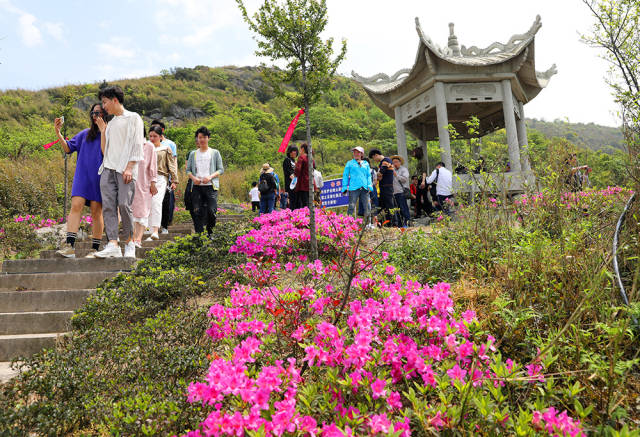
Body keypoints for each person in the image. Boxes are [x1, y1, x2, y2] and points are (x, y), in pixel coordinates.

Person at [94, 86, 144, 258]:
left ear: (115, 100)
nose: (104, 106)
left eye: (105, 102)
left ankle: (129, 242)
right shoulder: (111, 123)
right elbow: (104, 151)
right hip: (108, 168)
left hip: (124, 169)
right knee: (108, 206)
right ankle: (113, 243)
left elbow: (138, 144)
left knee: (123, 205)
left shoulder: (133, 118)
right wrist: (102, 131)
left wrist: (130, 167)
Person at [54, 104, 106, 258]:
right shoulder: (84, 134)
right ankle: (70, 246)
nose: (95, 115)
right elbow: (68, 148)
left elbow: (108, 152)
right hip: (82, 175)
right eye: (93, 112)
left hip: (99, 176)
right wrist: (58, 132)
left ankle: (95, 248)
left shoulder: (110, 134)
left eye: (99, 112)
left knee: (96, 211)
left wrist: (104, 131)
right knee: (76, 206)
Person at [185, 126, 224, 236]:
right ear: (197, 139)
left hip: (211, 186)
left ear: (208, 138)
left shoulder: (215, 152)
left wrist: (210, 177)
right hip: (197, 187)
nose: (202, 139)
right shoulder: (193, 154)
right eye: (199, 137)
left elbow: (221, 169)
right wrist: (194, 178)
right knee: (197, 211)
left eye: (204, 137)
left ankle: (210, 233)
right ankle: (199, 235)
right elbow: (188, 170)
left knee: (212, 211)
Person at [146, 125, 178, 240]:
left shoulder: (166, 149)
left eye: (155, 136)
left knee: (156, 202)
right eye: (150, 136)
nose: (152, 138)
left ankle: (155, 230)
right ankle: (149, 230)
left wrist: (174, 180)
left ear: (160, 137)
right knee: (148, 204)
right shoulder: (146, 148)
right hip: (147, 179)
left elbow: (171, 165)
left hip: (161, 178)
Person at [132, 136, 158, 247]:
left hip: (143, 184)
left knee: (142, 212)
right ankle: (133, 239)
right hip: (129, 183)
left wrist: (153, 183)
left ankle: (138, 239)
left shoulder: (149, 146)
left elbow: (153, 166)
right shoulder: (128, 144)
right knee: (131, 212)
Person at [342, 146, 373, 225]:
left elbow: (368, 175)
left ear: (361, 154)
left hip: (364, 187)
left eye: (358, 152)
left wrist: (370, 185)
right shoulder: (349, 163)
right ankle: (348, 224)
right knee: (351, 206)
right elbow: (345, 175)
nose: (356, 154)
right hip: (353, 188)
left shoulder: (366, 163)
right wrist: (344, 187)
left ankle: (368, 224)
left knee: (367, 206)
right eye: (354, 152)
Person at [368, 149, 395, 227]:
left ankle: (394, 223)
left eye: (373, 158)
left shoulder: (386, 160)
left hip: (387, 187)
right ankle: (386, 223)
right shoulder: (381, 163)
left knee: (390, 206)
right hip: (383, 187)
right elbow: (380, 176)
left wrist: (375, 175)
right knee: (383, 206)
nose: (374, 160)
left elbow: (381, 173)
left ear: (376, 155)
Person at [412, 147, 434, 218]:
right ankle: (426, 212)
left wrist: (423, 182)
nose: (413, 154)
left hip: (423, 180)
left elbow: (424, 172)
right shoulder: (419, 160)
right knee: (421, 198)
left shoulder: (423, 160)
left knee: (422, 198)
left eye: (414, 152)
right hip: (420, 180)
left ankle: (427, 212)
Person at [391, 155, 411, 227]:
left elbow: (405, 179)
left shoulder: (403, 169)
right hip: (394, 193)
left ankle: (407, 223)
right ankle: (400, 225)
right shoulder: (391, 170)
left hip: (401, 192)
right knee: (397, 210)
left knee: (403, 208)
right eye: (393, 162)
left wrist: (396, 175)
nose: (395, 164)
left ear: (400, 162)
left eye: (396, 162)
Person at [294, 143, 314, 209]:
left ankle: (305, 217)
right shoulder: (311, 158)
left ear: (302, 149)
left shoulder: (301, 157)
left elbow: (298, 170)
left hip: (302, 183)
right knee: (310, 201)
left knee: (303, 202)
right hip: (310, 182)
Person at [282, 144, 298, 209]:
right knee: (293, 201)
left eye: (295, 151)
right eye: (292, 151)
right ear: (289, 152)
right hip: (291, 184)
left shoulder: (294, 161)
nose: (294, 152)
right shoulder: (287, 160)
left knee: (296, 201)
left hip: (296, 184)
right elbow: (289, 173)